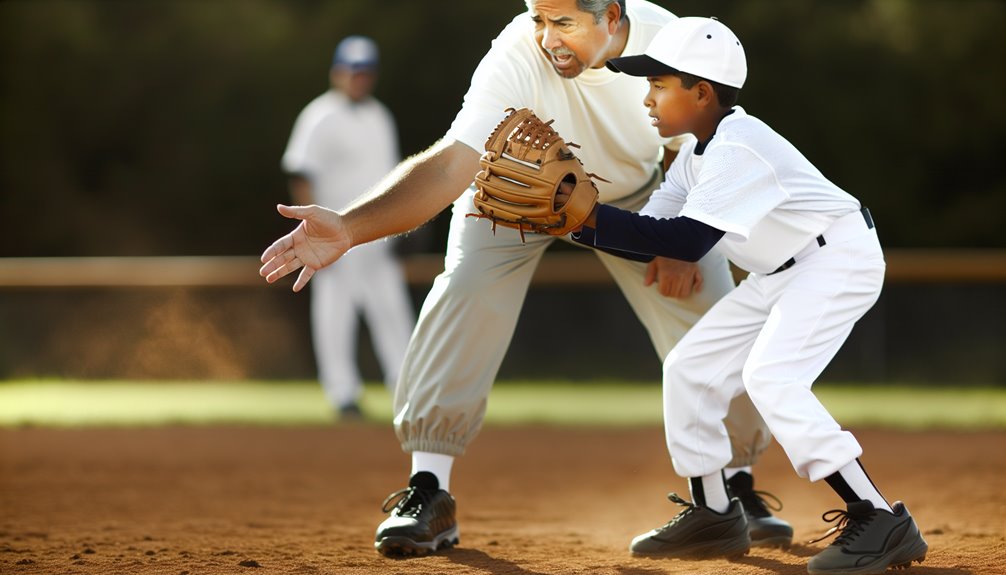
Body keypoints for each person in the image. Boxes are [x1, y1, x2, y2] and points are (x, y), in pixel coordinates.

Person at [260, 0, 791, 557]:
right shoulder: (516, 54)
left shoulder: (669, 39)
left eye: (564, 23)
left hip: (638, 197)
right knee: (464, 290)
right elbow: (448, 166)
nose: (546, 38)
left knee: (711, 312)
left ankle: (734, 484)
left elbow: (707, 146)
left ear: (611, 16)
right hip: (516, 193)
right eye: (539, 19)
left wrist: (687, 237)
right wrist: (348, 227)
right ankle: (429, 488)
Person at [557, 16, 927, 573]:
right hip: (781, 272)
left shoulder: (739, 147)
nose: (648, 98)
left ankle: (879, 517)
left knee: (771, 377)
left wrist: (593, 219)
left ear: (701, 92)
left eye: (659, 85)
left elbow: (685, 240)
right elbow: (653, 234)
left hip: (836, 259)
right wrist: (577, 225)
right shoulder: (695, 154)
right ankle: (712, 511)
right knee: (689, 368)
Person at [280, 35, 416, 420]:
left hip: (376, 234)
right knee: (335, 315)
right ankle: (343, 394)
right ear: (338, 72)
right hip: (333, 237)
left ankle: (405, 392)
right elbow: (300, 171)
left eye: (366, 71)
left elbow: (394, 175)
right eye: (354, 71)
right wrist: (310, 226)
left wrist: (403, 222)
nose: (360, 78)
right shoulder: (319, 115)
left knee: (393, 312)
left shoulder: (380, 116)